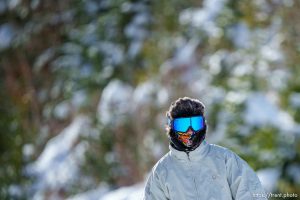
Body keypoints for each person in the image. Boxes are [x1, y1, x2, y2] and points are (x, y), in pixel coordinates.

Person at [143, 97, 267, 200]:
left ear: (203, 125)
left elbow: (251, 193)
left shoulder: (225, 160)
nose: (190, 131)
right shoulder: (162, 171)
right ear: (172, 128)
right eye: (183, 125)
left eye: (195, 123)